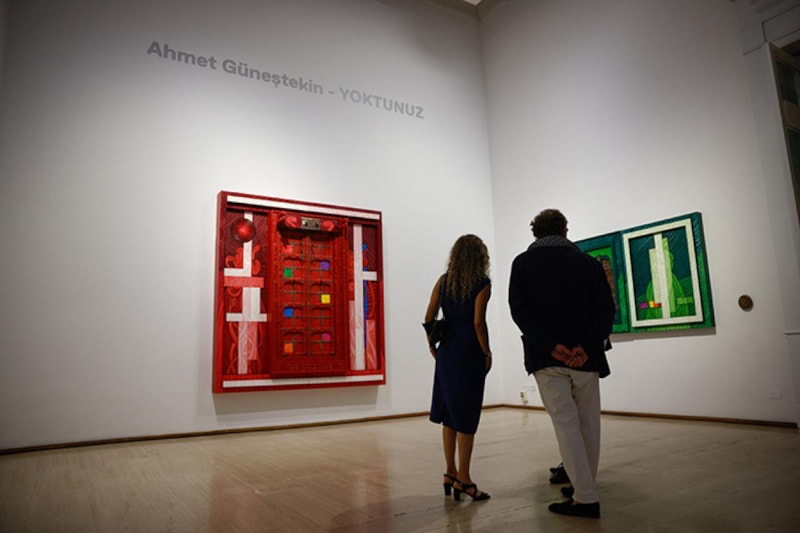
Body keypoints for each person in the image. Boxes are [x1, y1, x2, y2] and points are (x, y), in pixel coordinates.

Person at [508, 209, 615, 519]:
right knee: (589, 424)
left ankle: (585, 497)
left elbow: (520, 311)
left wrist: (551, 346)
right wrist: (585, 346)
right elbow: (605, 310)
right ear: (565, 230)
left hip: (547, 358)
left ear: (535, 232)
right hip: (586, 358)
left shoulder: (523, 264)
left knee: (566, 425)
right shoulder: (588, 263)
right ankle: (584, 487)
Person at [423, 234, 493, 501]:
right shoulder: (482, 283)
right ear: (480, 256)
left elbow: (429, 316)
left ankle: (450, 472)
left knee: (449, 414)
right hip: (469, 351)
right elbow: (478, 323)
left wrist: (432, 345)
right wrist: (486, 352)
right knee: (466, 415)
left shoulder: (443, 282)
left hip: (447, 351)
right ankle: (464, 479)